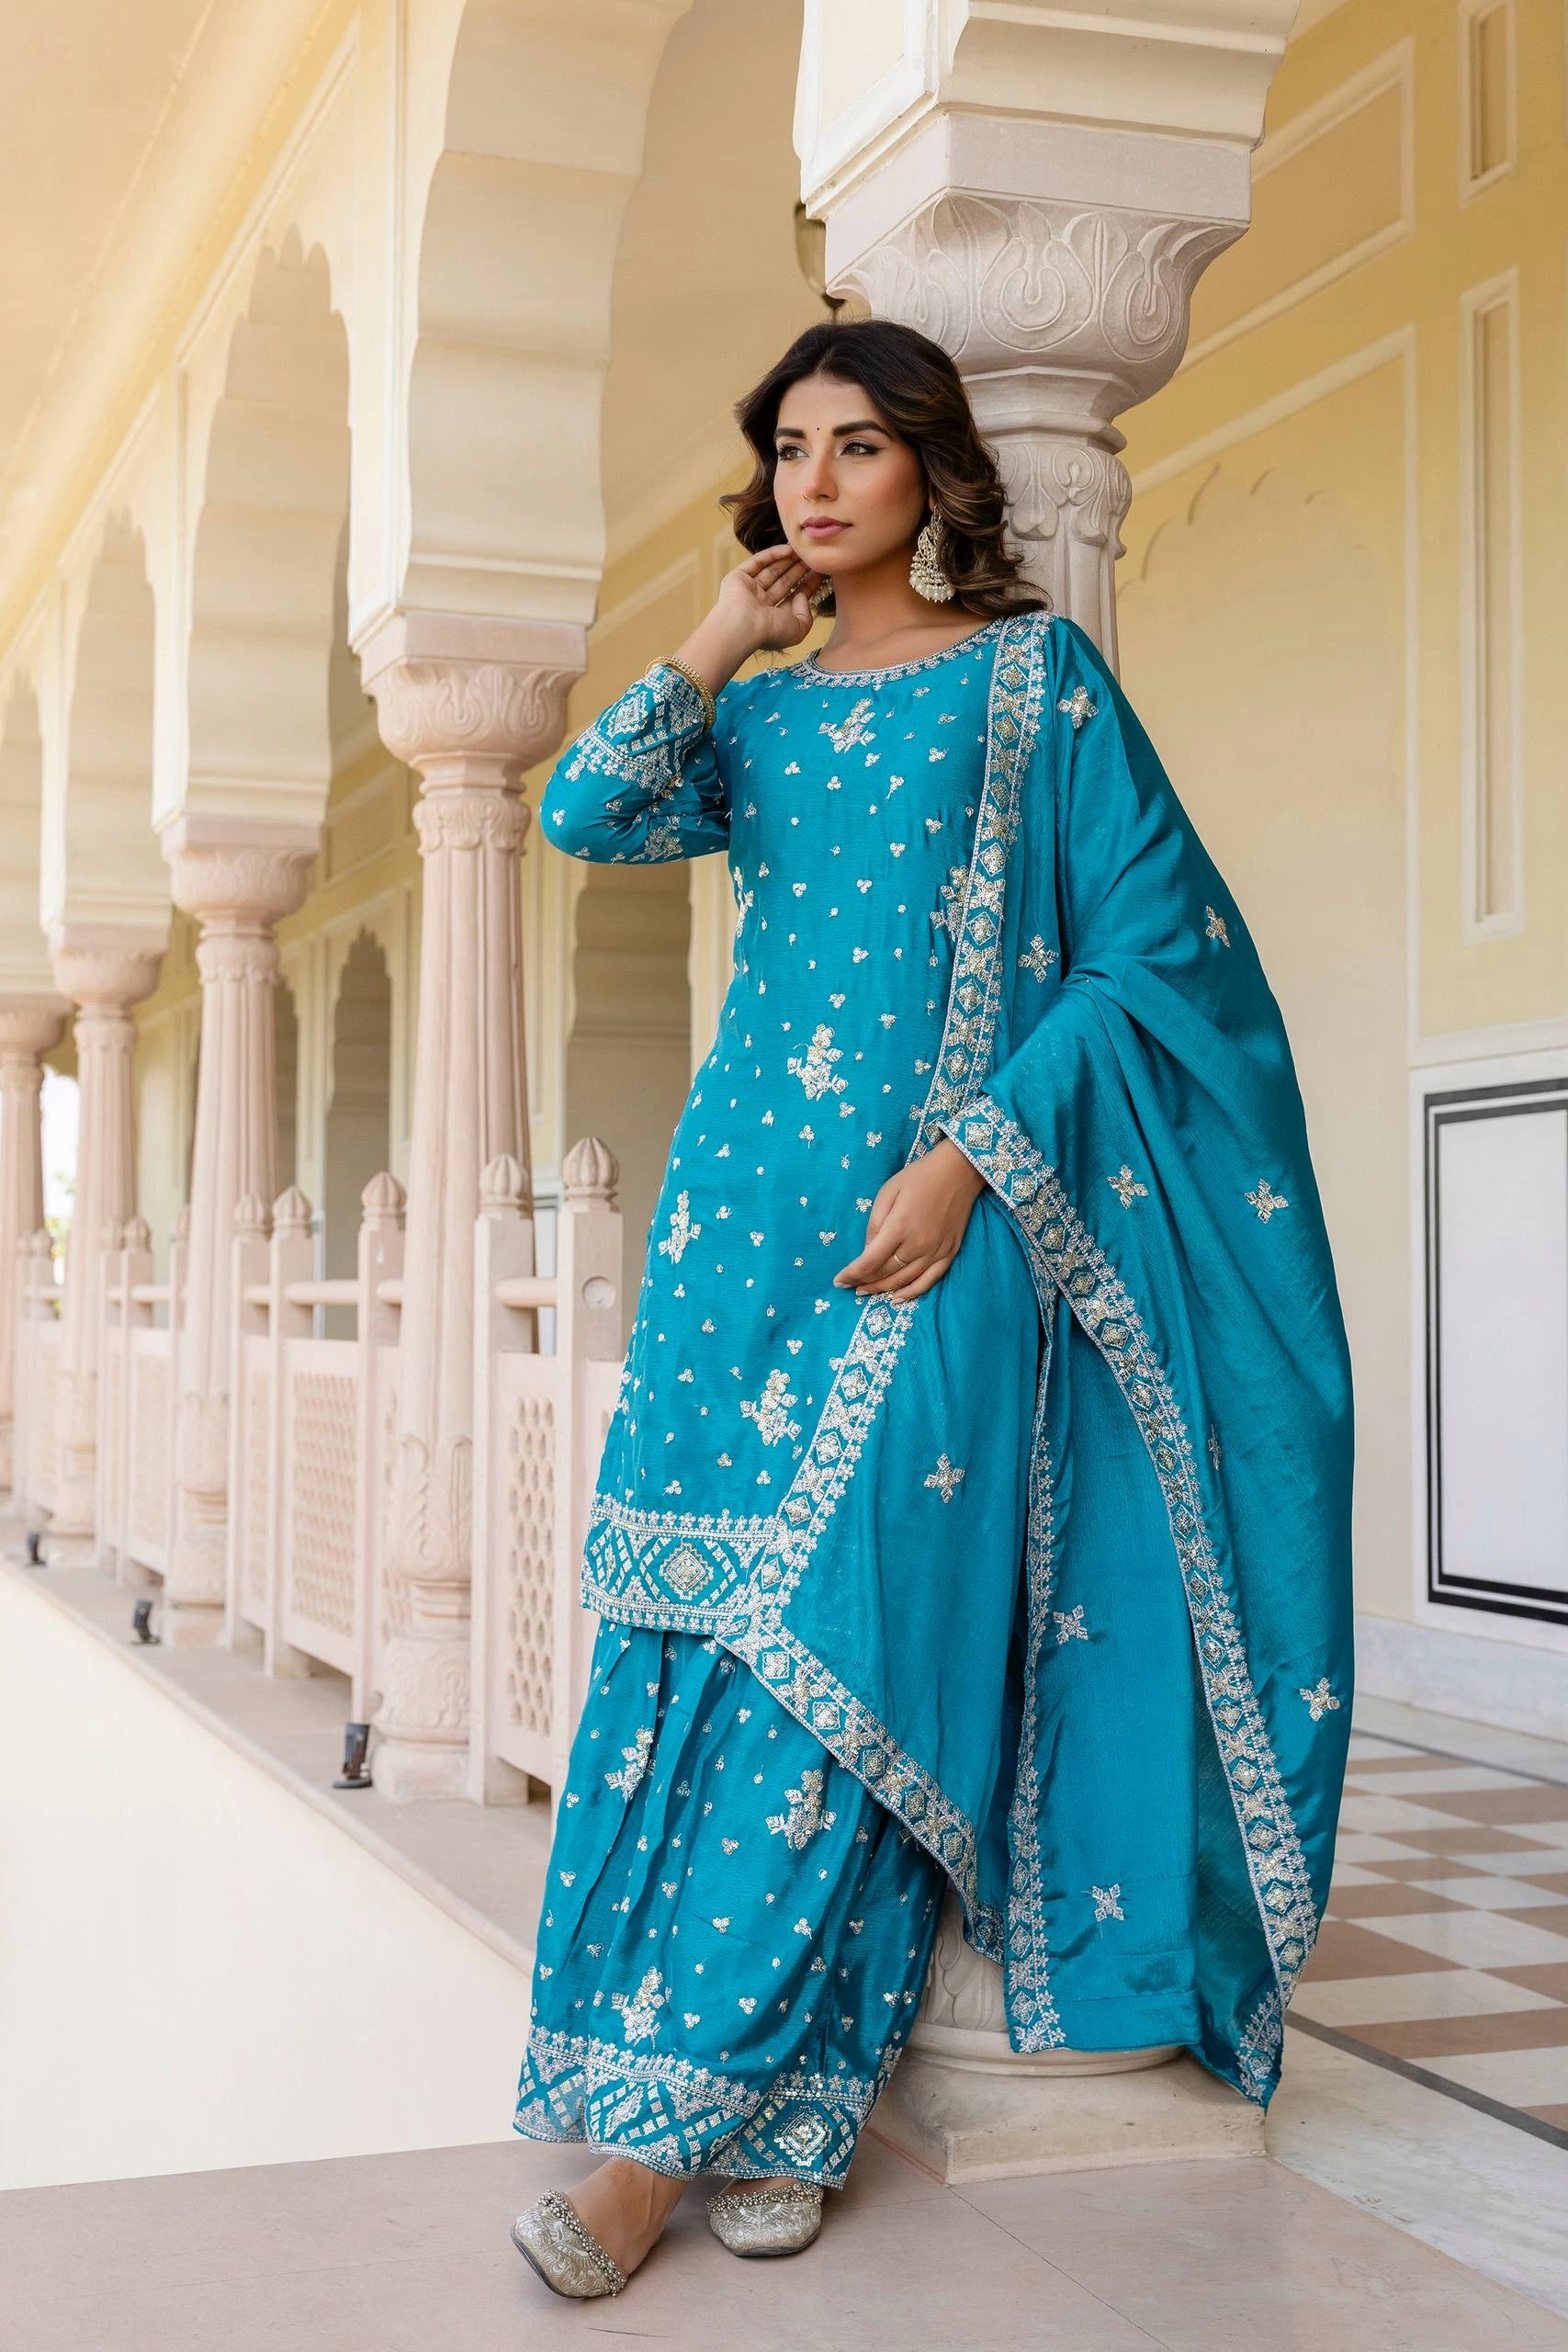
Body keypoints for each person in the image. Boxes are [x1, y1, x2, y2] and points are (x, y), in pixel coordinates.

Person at [509, 318, 1355, 2301]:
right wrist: (719, 632)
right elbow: (577, 814)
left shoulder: (1031, 681)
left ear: (928, 471)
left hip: (933, 1239)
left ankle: (642, 2161)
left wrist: (970, 1155)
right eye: (790, 449)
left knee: (848, 1656)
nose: (817, 479)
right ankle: (777, 2104)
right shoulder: (766, 717)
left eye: (858, 444)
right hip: (739, 1235)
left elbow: (1151, 961)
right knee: (701, 1646)